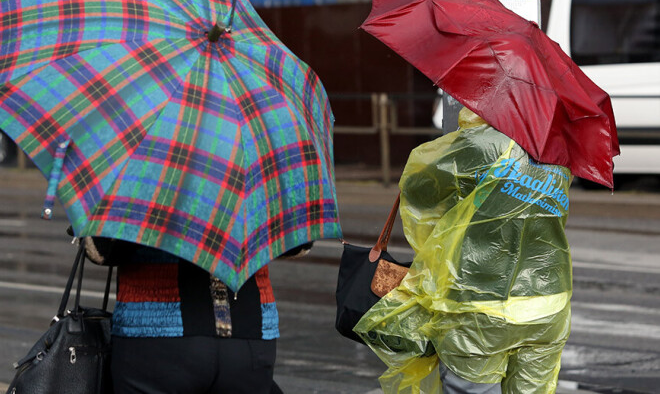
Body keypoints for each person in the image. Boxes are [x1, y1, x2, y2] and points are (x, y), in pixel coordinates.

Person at [354, 107, 573, 394]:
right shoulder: (558, 155)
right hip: (548, 303)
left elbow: (418, 186)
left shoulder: (480, 144)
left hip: (477, 304)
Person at [75, 227, 311, 394]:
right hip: (248, 331)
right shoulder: (257, 160)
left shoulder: (144, 163)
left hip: (158, 335)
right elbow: (299, 242)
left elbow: (101, 250)